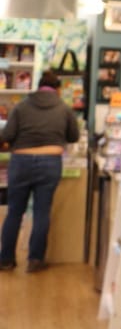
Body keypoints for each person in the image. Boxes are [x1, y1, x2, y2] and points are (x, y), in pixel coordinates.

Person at [0, 70, 79, 272]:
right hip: (50, 161)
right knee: (41, 212)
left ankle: (6, 259)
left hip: (21, 161)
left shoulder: (22, 106)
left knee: (14, 212)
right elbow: (73, 136)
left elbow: (7, 134)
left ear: (38, 85)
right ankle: (35, 260)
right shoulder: (64, 108)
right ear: (57, 89)